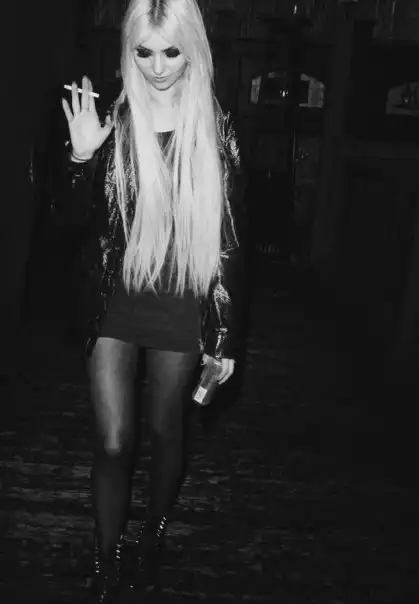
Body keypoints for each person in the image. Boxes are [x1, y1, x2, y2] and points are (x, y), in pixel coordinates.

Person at [60, 0, 246, 601]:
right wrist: (81, 158)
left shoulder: (214, 126)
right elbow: (66, 225)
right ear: (128, 49)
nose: (159, 66)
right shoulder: (111, 118)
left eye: (171, 51)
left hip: (181, 304)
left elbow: (229, 240)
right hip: (114, 299)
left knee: (167, 432)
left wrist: (223, 336)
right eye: (144, 51)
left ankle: (153, 534)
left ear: (193, 49)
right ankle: (106, 560)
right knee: (114, 440)